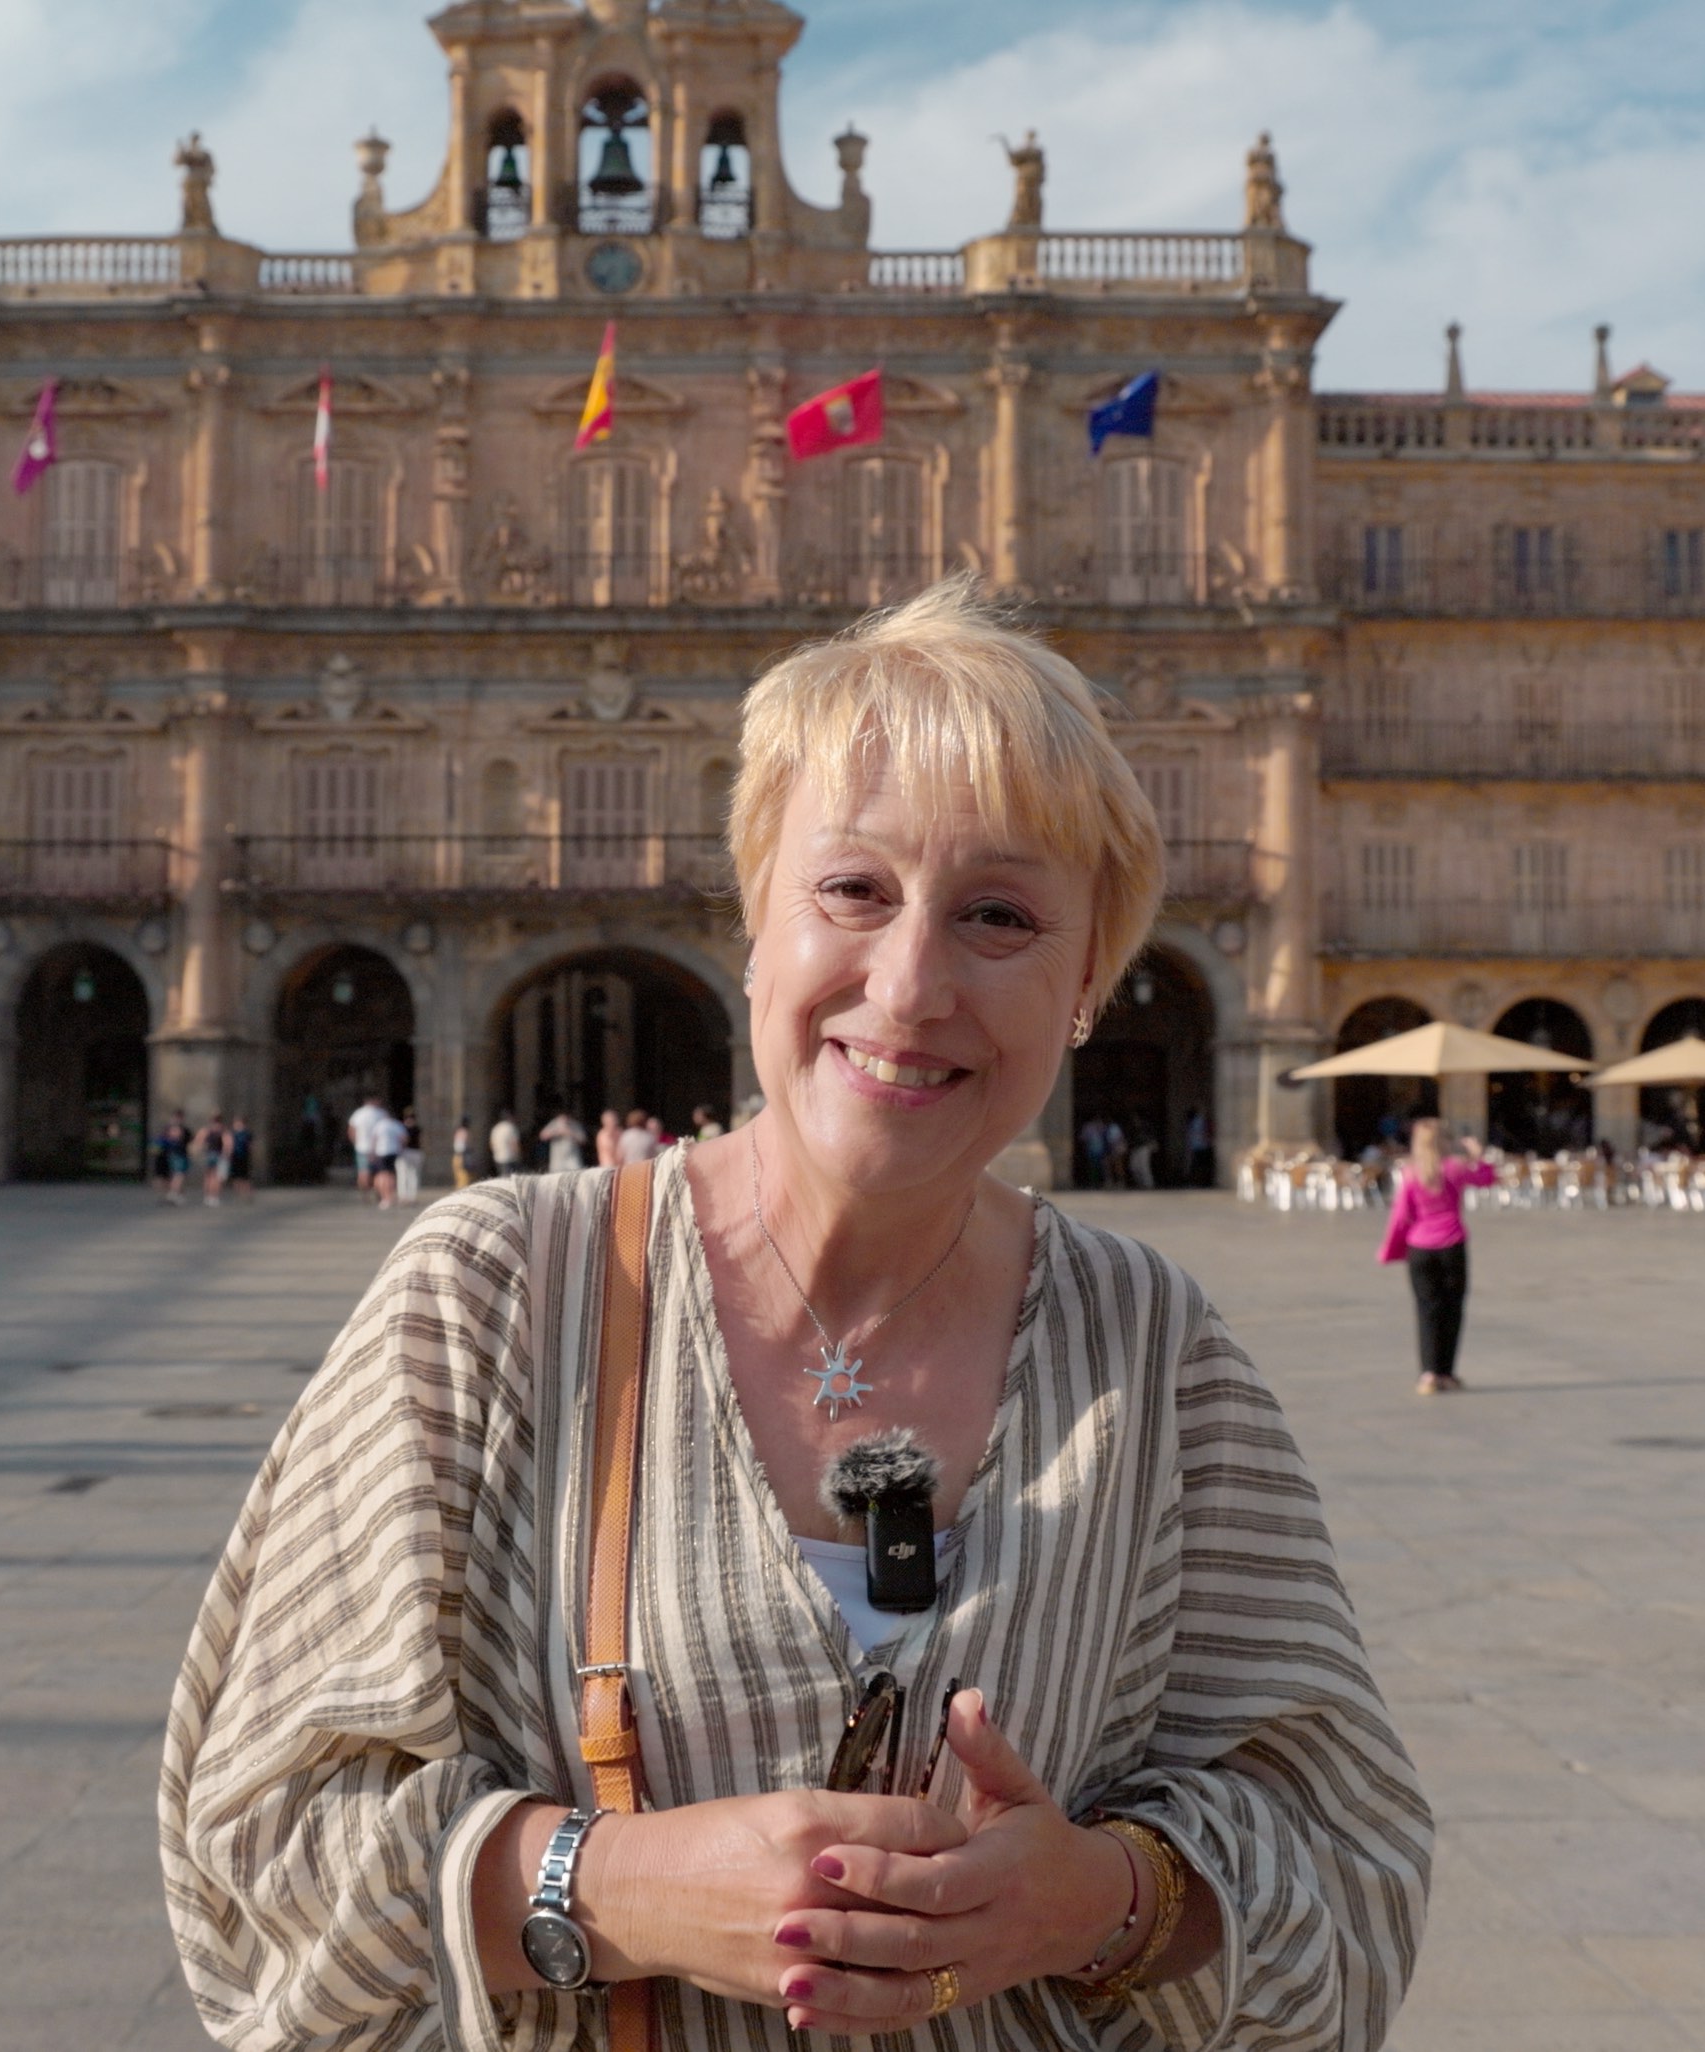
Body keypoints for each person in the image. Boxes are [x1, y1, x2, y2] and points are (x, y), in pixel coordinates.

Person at [163, 582, 1429, 2052]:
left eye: (998, 917)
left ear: (1088, 981)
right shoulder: (489, 1294)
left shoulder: (1155, 1353)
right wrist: (608, 1883)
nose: (909, 984)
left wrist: (1098, 1900)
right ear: (752, 920)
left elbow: (1346, 1861)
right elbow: (254, 1859)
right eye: (852, 890)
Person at [1378, 1116, 1497, 1394]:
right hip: (1452, 1246)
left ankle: (1428, 1374)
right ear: (1445, 1141)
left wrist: (1391, 1249)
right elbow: (1487, 1179)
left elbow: (1401, 1216)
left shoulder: (1411, 1173)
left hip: (1420, 1248)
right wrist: (1478, 1154)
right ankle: (1446, 1373)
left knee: (1426, 1310)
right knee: (1452, 1310)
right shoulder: (1455, 1169)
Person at [348, 1093, 386, 1200]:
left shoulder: (358, 1114)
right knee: (378, 1171)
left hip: (361, 1147)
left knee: (363, 1171)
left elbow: (351, 1130)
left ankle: (365, 1194)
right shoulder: (381, 1113)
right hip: (378, 1148)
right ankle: (378, 1193)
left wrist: (355, 1143)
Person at [371, 1107, 408, 1209]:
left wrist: (373, 1152)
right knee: (391, 1175)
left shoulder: (379, 1125)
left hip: (381, 1152)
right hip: (393, 1152)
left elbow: (374, 1139)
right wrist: (401, 1149)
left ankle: (385, 1197)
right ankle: (390, 1196)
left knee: (382, 1175)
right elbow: (404, 1139)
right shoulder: (397, 1125)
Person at [540, 1107, 588, 1175]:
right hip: (557, 1159)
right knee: (556, 1177)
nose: (564, 1120)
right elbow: (542, 1136)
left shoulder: (575, 1125)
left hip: (572, 1157)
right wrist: (557, 1132)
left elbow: (583, 1140)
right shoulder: (554, 1123)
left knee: (577, 1174)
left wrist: (570, 1133)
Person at [157, 1110, 191, 1205]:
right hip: (178, 1153)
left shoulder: (169, 1127)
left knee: (176, 1174)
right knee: (179, 1174)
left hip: (173, 1153)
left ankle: (176, 1194)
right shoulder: (176, 1128)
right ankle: (173, 1193)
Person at [197, 1113, 230, 1207]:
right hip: (219, 1156)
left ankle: (207, 1197)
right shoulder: (223, 1131)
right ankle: (214, 1197)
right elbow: (227, 1144)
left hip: (208, 1155)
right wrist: (226, 1155)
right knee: (216, 1178)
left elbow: (198, 1141)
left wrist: (201, 1150)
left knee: (208, 1177)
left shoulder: (206, 1130)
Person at [396, 1106, 424, 1204]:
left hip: (405, 1152)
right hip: (416, 1152)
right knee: (414, 1175)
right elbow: (421, 1141)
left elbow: (403, 1140)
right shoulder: (418, 1128)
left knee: (403, 1175)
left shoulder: (402, 1127)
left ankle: (403, 1197)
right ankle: (412, 1197)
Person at [227, 1114, 254, 1202]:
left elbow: (250, 1146)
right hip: (235, 1157)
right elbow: (229, 1145)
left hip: (244, 1157)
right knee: (236, 1177)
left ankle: (247, 1194)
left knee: (245, 1177)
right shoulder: (232, 1133)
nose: (237, 1124)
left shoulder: (247, 1133)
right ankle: (239, 1194)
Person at [488, 1108, 522, 1178]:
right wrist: (519, 1155)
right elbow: (514, 1144)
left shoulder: (496, 1128)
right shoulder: (511, 1127)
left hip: (498, 1158)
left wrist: (496, 1152)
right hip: (510, 1158)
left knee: (502, 1177)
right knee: (510, 1179)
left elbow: (491, 1144)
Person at [451, 1113, 474, 1190]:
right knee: (464, 1176)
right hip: (463, 1155)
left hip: (457, 1156)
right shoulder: (465, 1132)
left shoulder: (458, 1131)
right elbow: (468, 1144)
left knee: (458, 1176)